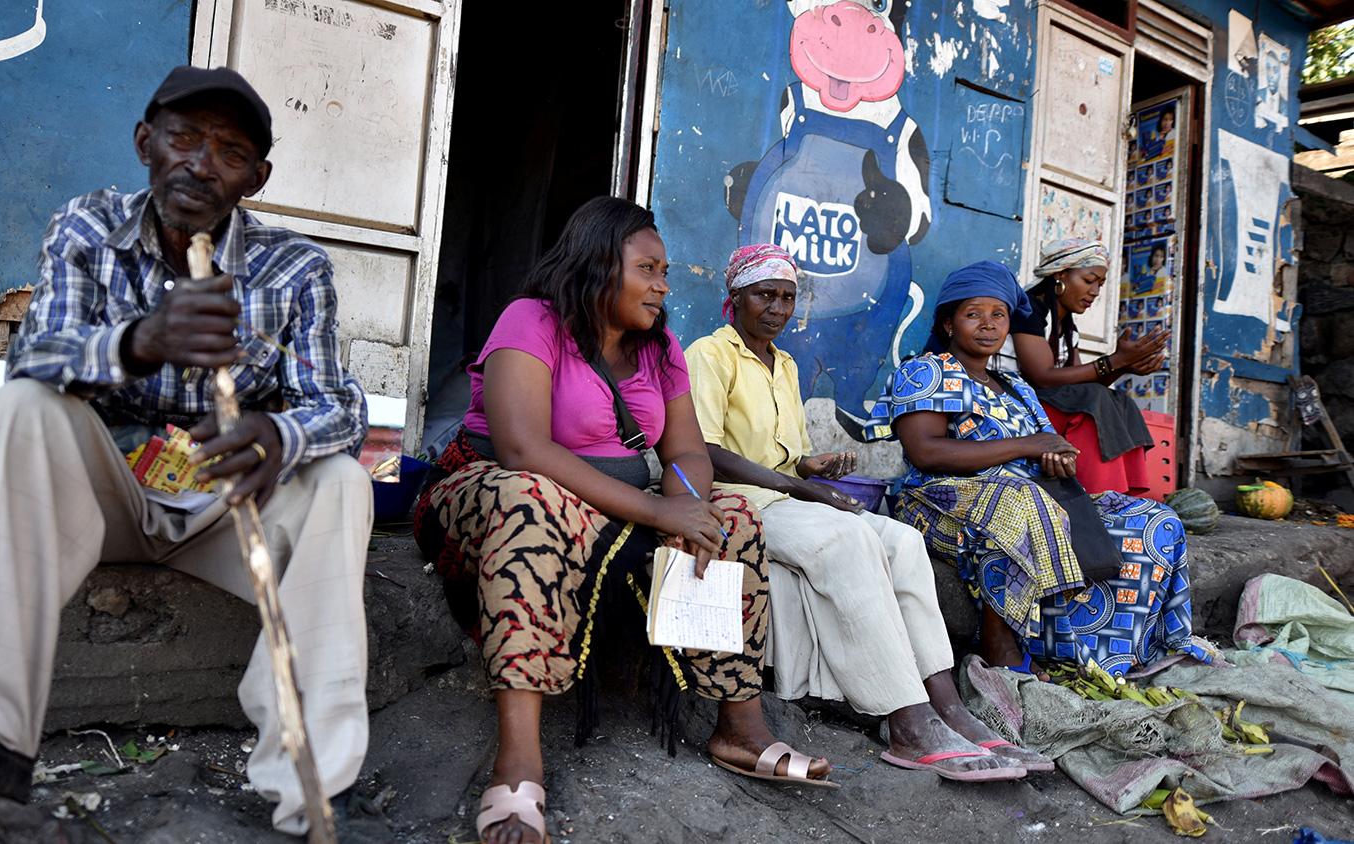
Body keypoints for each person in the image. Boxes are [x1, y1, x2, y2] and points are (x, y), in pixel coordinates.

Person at [0, 67, 374, 836]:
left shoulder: (294, 268)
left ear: (256, 178)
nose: (201, 163)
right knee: (21, 406)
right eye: (184, 138)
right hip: (99, 502)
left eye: (230, 152)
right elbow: (34, 355)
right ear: (144, 143)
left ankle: (314, 785)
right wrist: (140, 342)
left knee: (339, 483)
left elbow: (341, 406)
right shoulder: (88, 226)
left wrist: (276, 433)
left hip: (223, 511)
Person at [413, 198, 834, 844]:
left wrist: (686, 504)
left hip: (618, 504)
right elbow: (523, 447)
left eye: (665, 271)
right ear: (596, 264)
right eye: (648, 269)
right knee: (533, 500)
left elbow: (687, 452)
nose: (664, 284)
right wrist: (657, 509)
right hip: (501, 489)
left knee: (733, 515)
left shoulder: (660, 346)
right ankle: (520, 759)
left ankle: (740, 725)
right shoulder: (531, 321)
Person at [684, 244, 1046, 781]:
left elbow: (783, 457)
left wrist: (813, 467)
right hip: (739, 503)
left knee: (903, 541)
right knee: (846, 539)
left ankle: (947, 707)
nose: (778, 308)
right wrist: (799, 486)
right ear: (734, 298)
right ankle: (905, 720)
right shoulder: (709, 356)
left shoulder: (783, 363)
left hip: (784, 495)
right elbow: (705, 451)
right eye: (765, 295)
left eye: (787, 297)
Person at [866, 261, 1211, 677]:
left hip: (1034, 498)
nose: (988, 325)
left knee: (1154, 519)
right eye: (973, 314)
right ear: (948, 323)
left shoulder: (1018, 387)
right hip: (939, 500)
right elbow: (925, 451)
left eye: (999, 315)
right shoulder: (927, 371)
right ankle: (1002, 644)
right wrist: (1028, 446)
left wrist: (1057, 458)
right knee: (1019, 501)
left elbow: (1057, 446)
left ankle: (1115, 652)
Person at [999, 238, 1168, 495]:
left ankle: (1126, 495)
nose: (1095, 291)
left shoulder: (1067, 325)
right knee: (1093, 401)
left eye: (1100, 284)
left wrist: (1124, 367)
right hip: (1008, 403)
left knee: (1119, 401)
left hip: (1038, 404)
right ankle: (1096, 493)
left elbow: (1077, 385)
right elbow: (1042, 377)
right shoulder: (1029, 308)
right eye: (1089, 280)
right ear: (1060, 274)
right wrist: (1115, 361)